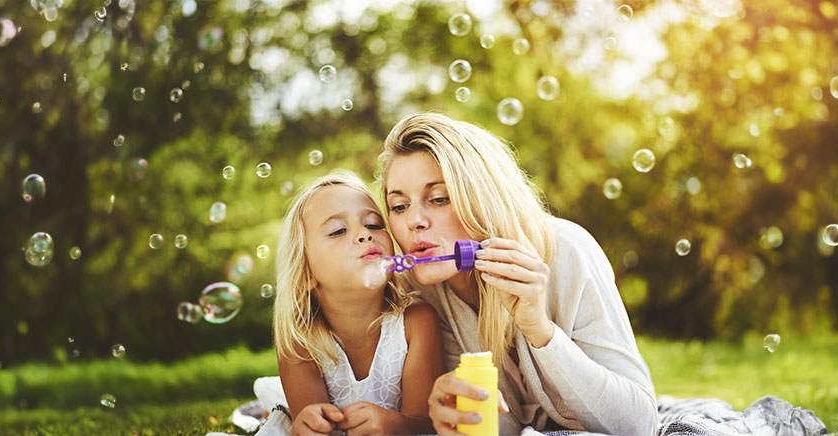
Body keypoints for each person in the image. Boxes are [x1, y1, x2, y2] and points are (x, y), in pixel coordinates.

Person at [377, 113, 657, 435]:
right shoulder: (425, 289)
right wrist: (461, 412)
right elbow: (504, 428)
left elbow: (640, 425)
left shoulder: (567, 250)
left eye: (439, 198)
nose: (414, 221)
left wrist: (540, 330)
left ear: (483, 198)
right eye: (399, 206)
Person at [261, 169, 445, 436]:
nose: (364, 234)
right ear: (306, 272)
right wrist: (309, 425)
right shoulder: (300, 339)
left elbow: (425, 423)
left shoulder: (417, 321)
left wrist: (394, 425)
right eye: (338, 231)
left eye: (373, 224)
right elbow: (313, 424)